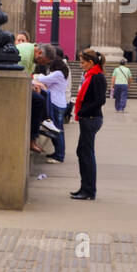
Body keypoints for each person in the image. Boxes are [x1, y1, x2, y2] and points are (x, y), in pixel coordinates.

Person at [70, 49, 107, 200]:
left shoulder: (97, 77)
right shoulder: (91, 76)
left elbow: (100, 100)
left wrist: (83, 111)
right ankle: (85, 187)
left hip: (91, 118)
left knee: (87, 154)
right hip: (88, 118)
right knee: (82, 152)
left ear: (91, 62)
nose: (81, 65)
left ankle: (89, 190)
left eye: (83, 62)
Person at [34, 48, 70, 163]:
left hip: (55, 103)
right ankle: (58, 153)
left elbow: (42, 79)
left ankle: (59, 155)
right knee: (58, 130)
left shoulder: (57, 74)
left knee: (56, 130)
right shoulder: (61, 74)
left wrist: (36, 75)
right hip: (60, 103)